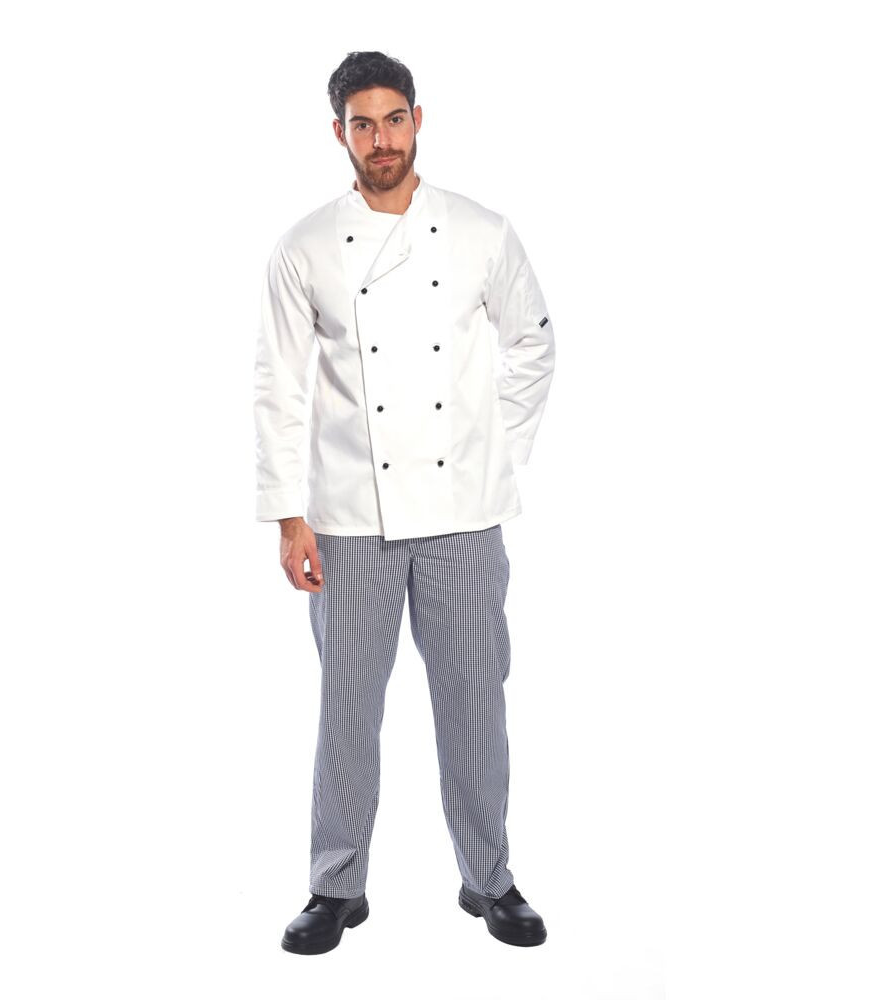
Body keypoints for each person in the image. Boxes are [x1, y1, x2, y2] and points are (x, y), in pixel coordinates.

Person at [254, 50, 555, 954]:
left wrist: (491, 453)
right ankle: (335, 885)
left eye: (393, 119)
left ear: (418, 120)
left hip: (464, 516)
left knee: (476, 703)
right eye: (362, 124)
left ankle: (489, 878)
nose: (380, 139)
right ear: (338, 133)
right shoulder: (305, 245)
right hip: (349, 518)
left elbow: (534, 347)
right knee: (347, 707)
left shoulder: (483, 231)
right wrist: (289, 515)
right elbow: (279, 384)